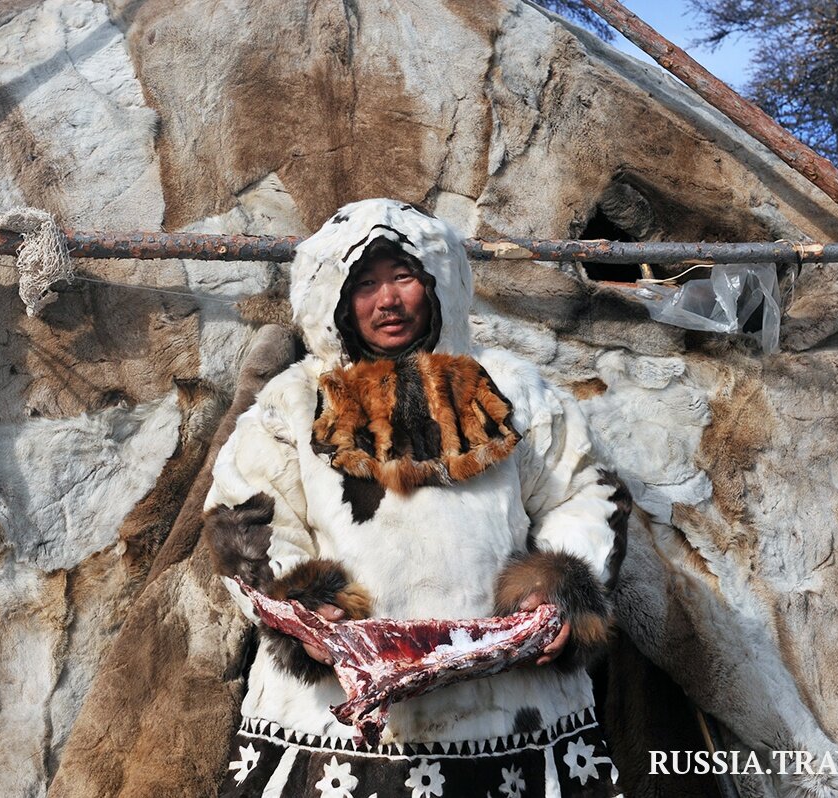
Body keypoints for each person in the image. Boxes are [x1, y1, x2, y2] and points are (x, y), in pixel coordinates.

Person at [205, 198, 629, 797]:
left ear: (438, 284)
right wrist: (300, 608)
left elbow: (583, 491)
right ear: (336, 297)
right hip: (339, 715)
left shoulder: (513, 390)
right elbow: (247, 515)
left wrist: (560, 587)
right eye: (366, 283)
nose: (387, 301)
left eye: (404, 276)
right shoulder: (292, 404)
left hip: (510, 708)